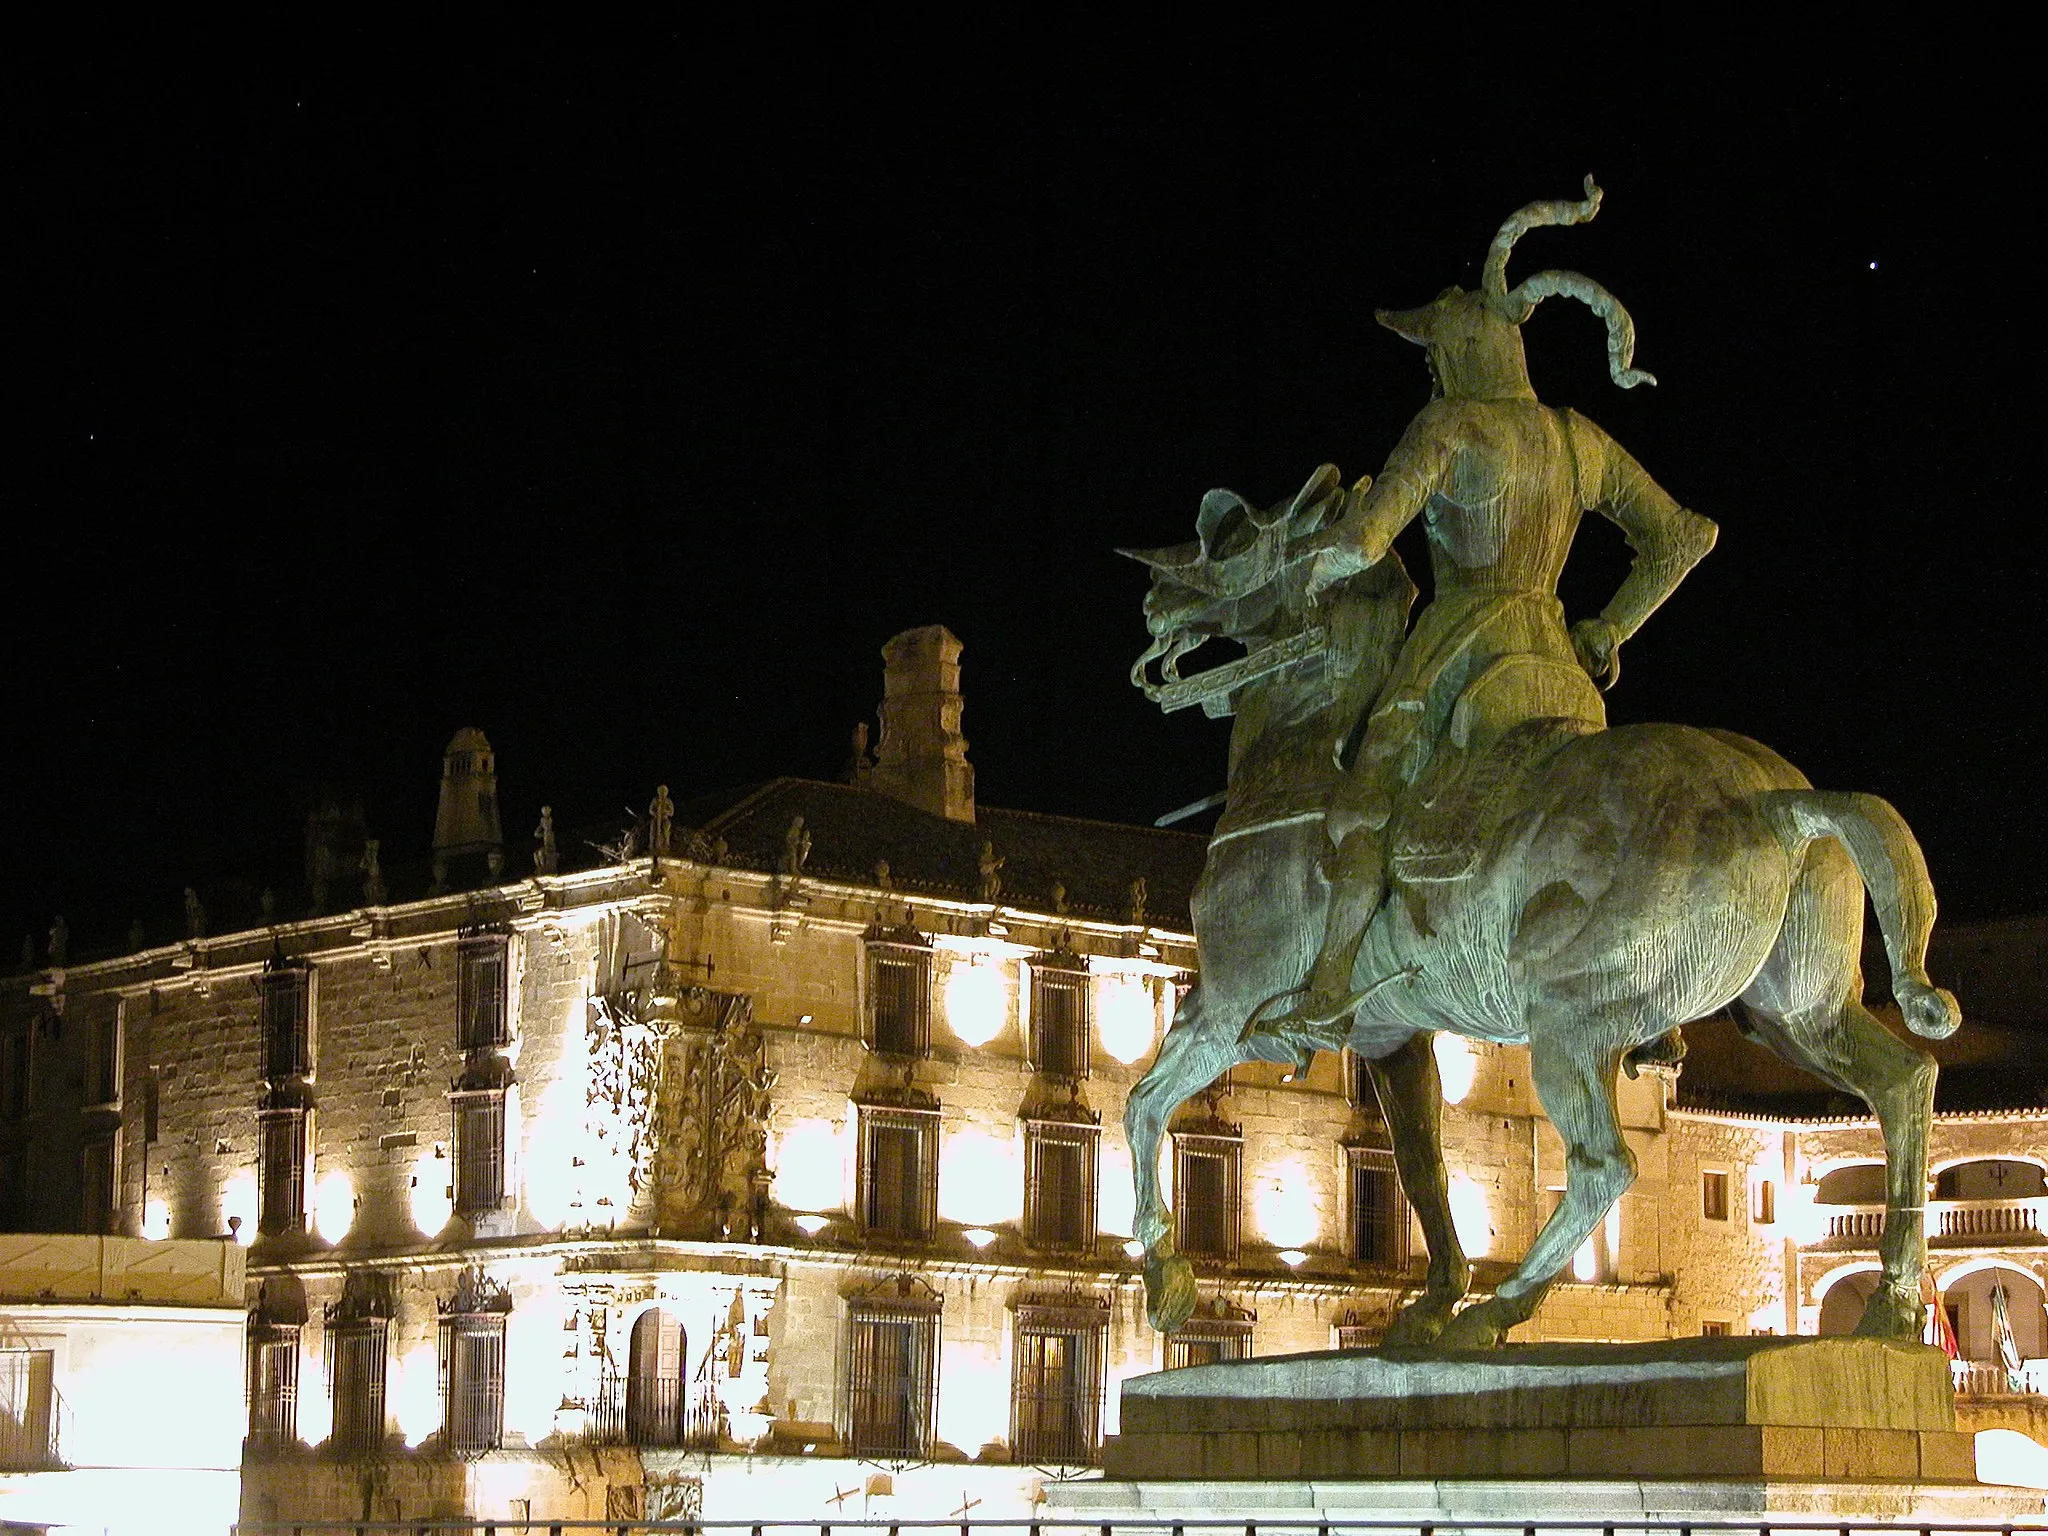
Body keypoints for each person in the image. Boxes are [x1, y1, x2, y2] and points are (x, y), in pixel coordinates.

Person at [1260, 180, 1717, 1048]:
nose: (1430, 369)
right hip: (1555, 662)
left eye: (1431, 355)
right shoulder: (1579, 437)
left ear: (1455, 352)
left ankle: (1328, 985)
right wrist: (1611, 625)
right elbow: (1685, 536)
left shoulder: (1449, 426)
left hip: (1459, 650)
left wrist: (1302, 565)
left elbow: (1364, 544)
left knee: (1364, 807)